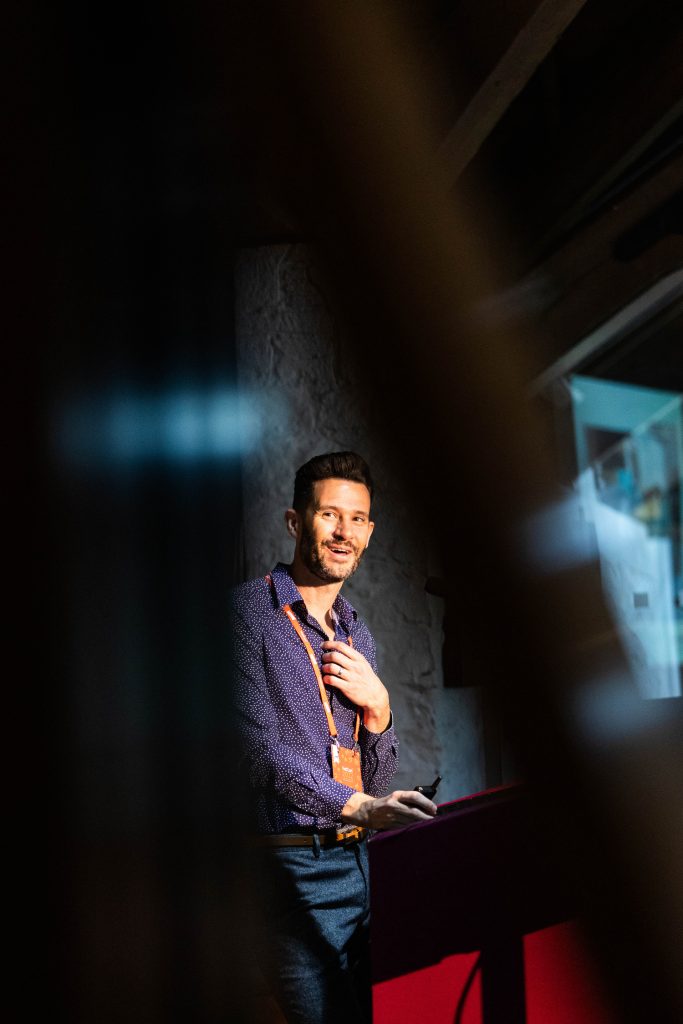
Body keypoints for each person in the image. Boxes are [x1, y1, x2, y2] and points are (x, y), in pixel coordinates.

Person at [231, 451, 437, 1024]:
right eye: (329, 515)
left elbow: (374, 779)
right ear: (295, 521)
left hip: (360, 863)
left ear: (369, 533)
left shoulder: (356, 633)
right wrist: (362, 805)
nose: (344, 532)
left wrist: (381, 710)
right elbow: (255, 754)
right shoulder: (246, 614)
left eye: (357, 519)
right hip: (287, 870)